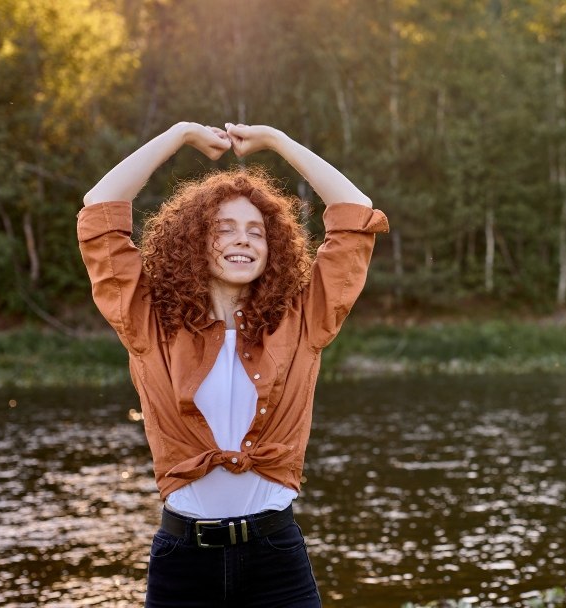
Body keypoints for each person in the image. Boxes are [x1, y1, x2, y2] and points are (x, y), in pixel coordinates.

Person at [78, 121, 388, 607]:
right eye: (223, 230)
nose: (242, 240)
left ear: (272, 247)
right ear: (193, 242)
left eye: (255, 232)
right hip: (183, 563)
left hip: (276, 560)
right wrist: (179, 135)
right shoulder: (149, 323)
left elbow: (355, 213)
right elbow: (99, 209)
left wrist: (279, 142)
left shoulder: (302, 321)